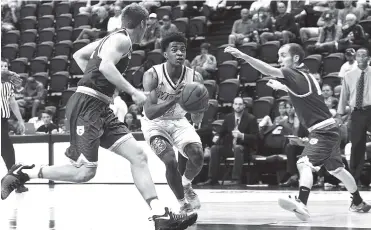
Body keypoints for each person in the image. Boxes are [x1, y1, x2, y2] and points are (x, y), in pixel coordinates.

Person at [1, 4, 197, 229]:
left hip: (100, 107)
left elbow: (80, 55)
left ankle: (160, 216)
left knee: (138, 156)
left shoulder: (112, 38)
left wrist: (105, 88)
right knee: (85, 172)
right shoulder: (122, 40)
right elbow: (105, 66)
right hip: (86, 107)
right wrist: (132, 92)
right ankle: (25, 171)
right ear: (143, 24)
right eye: (147, 26)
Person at [224, 43, 370, 221]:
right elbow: (304, 94)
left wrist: (243, 56)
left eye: (282, 55)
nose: (279, 60)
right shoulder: (305, 74)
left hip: (323, 130)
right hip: (329, 128)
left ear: (295, 58)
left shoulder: (292, 73)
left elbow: (268, 69)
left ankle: (302, 202)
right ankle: (357, 202)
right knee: (337, 170)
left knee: (304, 163)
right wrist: (283, 88)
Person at [142, 32, 207, 214]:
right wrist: (175, 100)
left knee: (197, 156)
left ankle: (186, 184)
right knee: (170, 160)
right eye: (175, 49)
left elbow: (198, 112)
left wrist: (198, 112)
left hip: (179, 121)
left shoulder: (195, 78)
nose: (180, 53)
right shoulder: (152, 75)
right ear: (165, 54)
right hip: (155, 124)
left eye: (183, 50)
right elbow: (150, 112)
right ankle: (182, 203)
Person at [338, 47, 371, 187]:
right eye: (359, 55)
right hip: (356, 112)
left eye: (364, 55)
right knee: (357, 145)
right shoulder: (349, 75)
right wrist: (339, 114)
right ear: (355, 58)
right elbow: (343, 95)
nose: (361, 58)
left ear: (369, 58)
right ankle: (354, 180)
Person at [1, 58, 28, 193]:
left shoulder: (9, 84)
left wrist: (20, 120)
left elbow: (12, 102)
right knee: (7, 151)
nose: (4, 68)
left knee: (7, 151)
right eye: (1, 66)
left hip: (3, 120)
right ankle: (15, 183)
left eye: (6, 66)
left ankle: (15, 182)